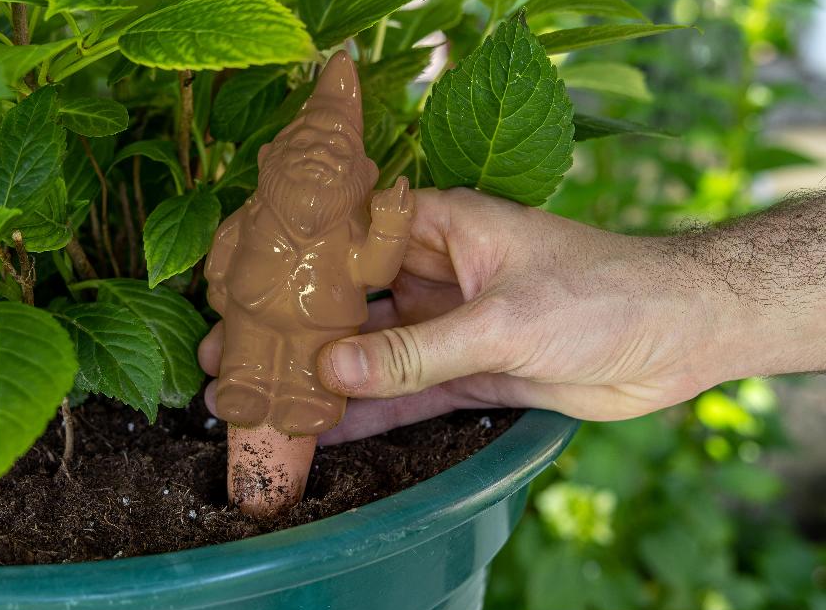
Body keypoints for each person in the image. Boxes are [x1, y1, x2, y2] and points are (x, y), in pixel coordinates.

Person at [199, 186, 826, 442]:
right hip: (261, 324)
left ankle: (285, 412)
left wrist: (388, 228)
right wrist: (226, 283)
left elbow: (372, 264)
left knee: (304, 387)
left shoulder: (337, 235)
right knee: (246, 363)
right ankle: (246, 389)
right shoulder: (254, 222)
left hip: (317, 331)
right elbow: (222, 262)